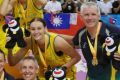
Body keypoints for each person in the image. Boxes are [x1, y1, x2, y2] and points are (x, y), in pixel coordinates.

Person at [7, 18, 80, 80]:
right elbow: (12, 62)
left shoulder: (57, 42)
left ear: (45, 29)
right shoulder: (29, 41)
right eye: (33, 29)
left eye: (39, 28)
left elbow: (77, 57)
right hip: (45, 75)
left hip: (63, 75)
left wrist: (63, 68)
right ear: (29, 30)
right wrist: (9, 48)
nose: (36, 32)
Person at [72, 2, 120, 80]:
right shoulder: (80, 34)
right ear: (81, 17)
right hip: (91, 76)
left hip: (113, 77)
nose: (90, 18)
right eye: (86, 15)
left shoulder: (113, 31)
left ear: (99, 16)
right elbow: (73, 42)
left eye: (93, 14)